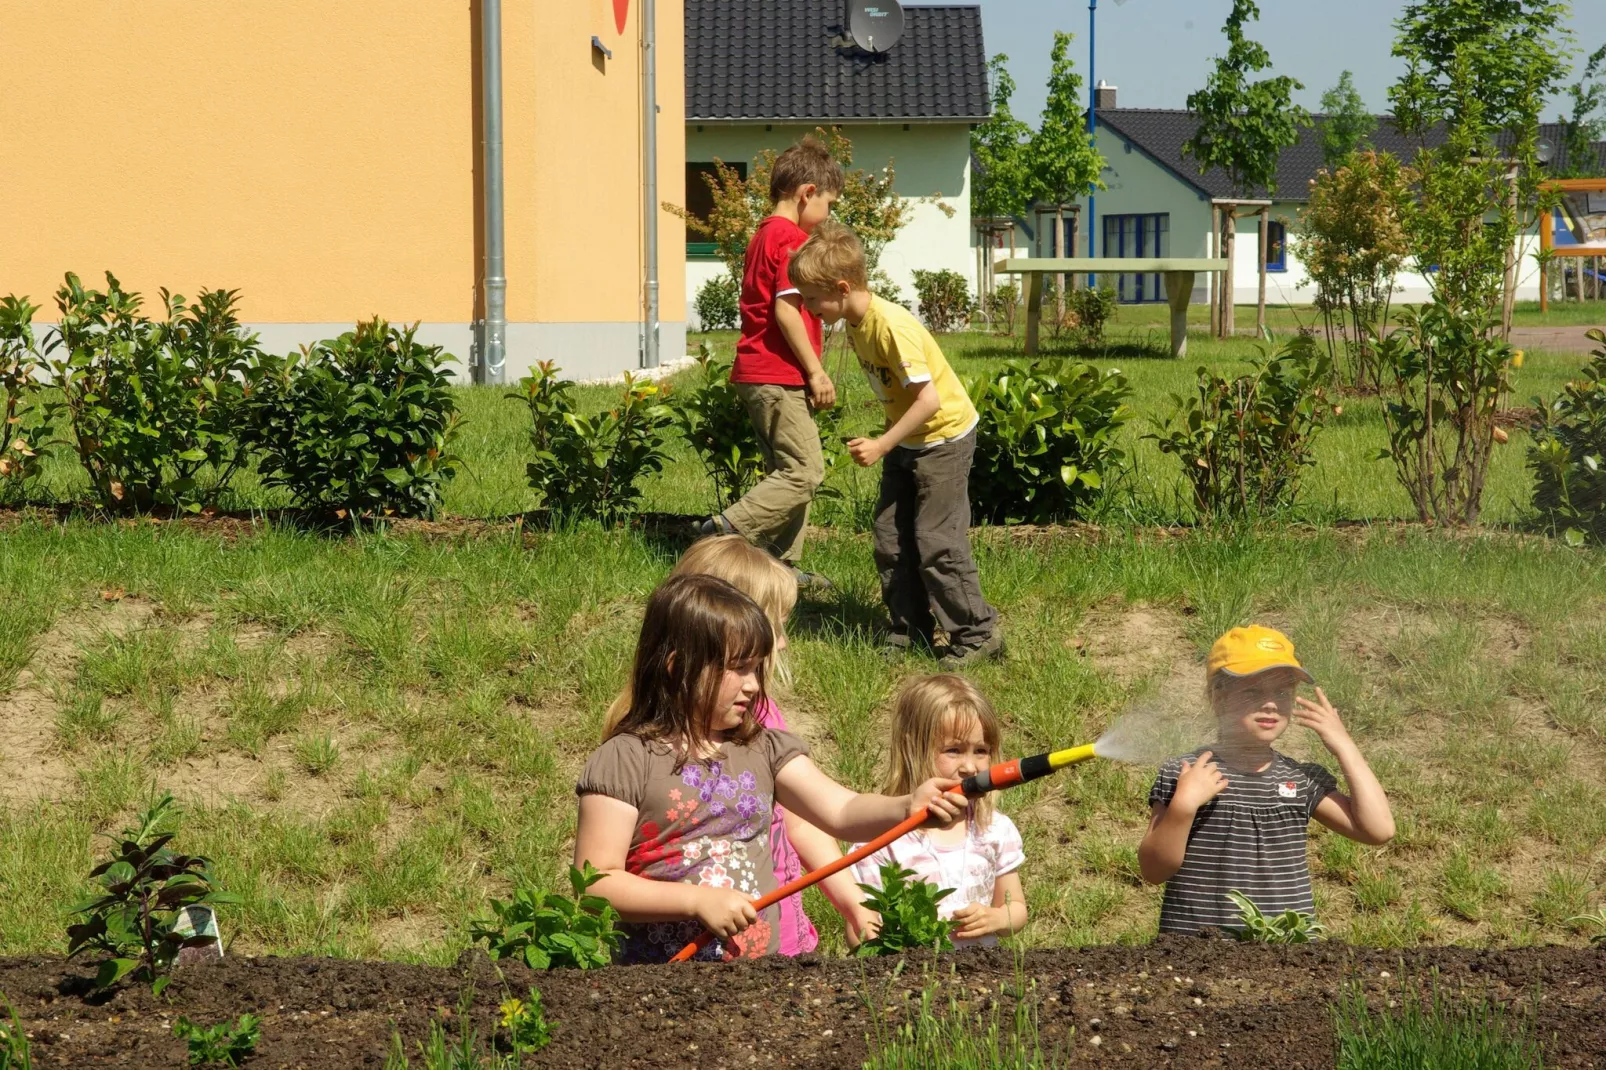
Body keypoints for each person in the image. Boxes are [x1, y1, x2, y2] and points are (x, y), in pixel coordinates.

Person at [574, 573, 967, 963]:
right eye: (739, 668)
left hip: (766, 977)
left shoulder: (763, 748)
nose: (754, 686)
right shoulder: (625, 759)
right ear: (679, 668)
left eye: (756, 669)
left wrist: (906, 807)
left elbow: (841, 811)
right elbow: (595, 884)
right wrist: (695, 901)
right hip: (661, 984)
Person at [600, 535, 877, 953]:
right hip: (678, 951)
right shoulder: (637, 749)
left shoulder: (757, 724)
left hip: (774, 932)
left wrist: (852, 900)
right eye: (772, 624)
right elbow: (602, 874)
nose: (781, 642)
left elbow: (811, 819)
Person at [790, 221, 1001, 669]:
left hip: (943, 438)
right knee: (890, 538)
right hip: (908, 440)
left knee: (936, 540)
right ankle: (911, 629)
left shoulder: (892, 326)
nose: (809, 309)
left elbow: (929, 400)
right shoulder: (853, 321)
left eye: (812, 299)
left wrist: (883, 444)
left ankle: (978, 633)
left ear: (842, 287)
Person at [1137, 625, 1395, 936]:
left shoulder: (1300, 779)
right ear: (1218, 698)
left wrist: (1344, 745)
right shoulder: (1187, 773)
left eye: (1282, 692)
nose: (1271, 703)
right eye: (1252, 691)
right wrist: (1183, 807)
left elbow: (1378, 830)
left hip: (1286, 956)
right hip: (1196, 954)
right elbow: (1153, 871)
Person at [697, 137, 843, 591]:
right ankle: (723, 531)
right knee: (805, 471)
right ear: (806, 193)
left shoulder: (764, 233)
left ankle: (781, 568)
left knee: (789, 470)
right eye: (828, 203)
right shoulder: (791, 239)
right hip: (776, 374)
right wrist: (816, 371)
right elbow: (785, 310)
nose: (828, 215)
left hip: (761, 374)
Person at [851, 674, 1027, 948]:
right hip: (911, 983)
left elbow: (1016, 907)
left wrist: (996, 918)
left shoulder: (994, 829)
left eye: (981, 750)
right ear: (913, 749)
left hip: (982, 979)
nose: (970, 766)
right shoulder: (882, 839)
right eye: (953, 750)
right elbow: (859, 930)